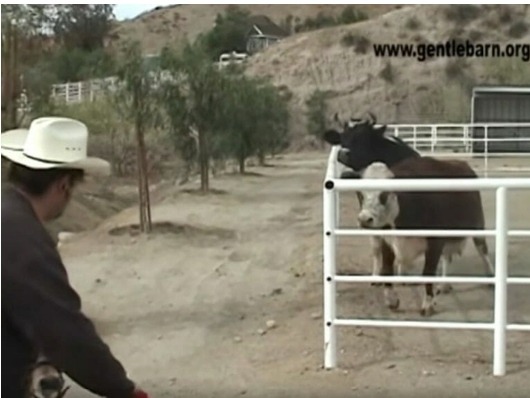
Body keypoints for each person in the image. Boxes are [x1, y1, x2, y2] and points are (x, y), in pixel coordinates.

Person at [1, 117, 150, 398]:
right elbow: (64, 332)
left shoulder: (9, 218)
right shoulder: (19, 234)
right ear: (64, 185)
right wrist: (124, 390)